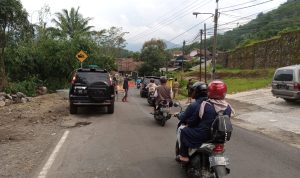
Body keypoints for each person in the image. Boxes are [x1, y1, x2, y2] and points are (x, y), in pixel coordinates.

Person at [177, 80, 234, 163]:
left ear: (209, 92)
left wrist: (188, 125)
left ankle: (184, 156)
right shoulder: (228, 107)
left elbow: (194, 120)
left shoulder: (205, 105)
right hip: (220, 137)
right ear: (224, 93)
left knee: (184, 131)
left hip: (204, 135)